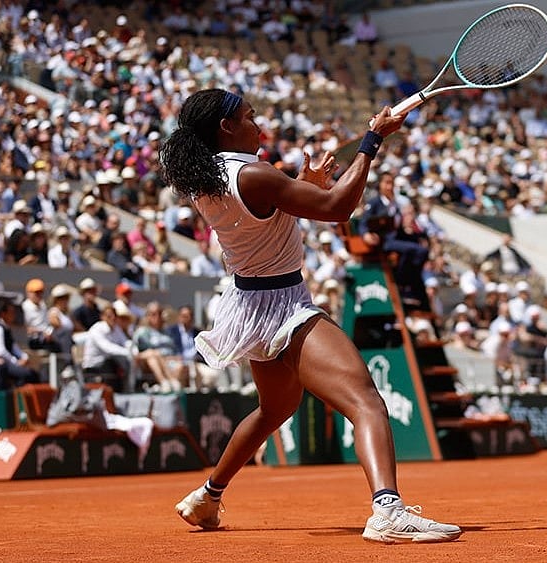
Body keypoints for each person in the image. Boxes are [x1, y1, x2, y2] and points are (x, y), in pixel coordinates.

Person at [159, 89, 460, 543]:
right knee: (365, 402)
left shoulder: (208, 176)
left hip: (246, 306)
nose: (259, 126)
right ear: (226, 128)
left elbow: (267, 215)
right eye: (249, 118)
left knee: (275, 408)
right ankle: (387, 511)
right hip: (283, 305)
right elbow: (338, 208)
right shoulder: (256, 174)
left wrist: (303, 182)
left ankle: (207, 496)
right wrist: (372, 141)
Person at [0, 298, 41, 390]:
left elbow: (14, 347)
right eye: (11, 312)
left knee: (33, 373)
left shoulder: (6, 329)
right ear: (3, 314)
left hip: (10, 363)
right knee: (28, 375)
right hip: (2, 365)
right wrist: (16, 362)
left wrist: (24, 357)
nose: (14, 315)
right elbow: (0, 352)